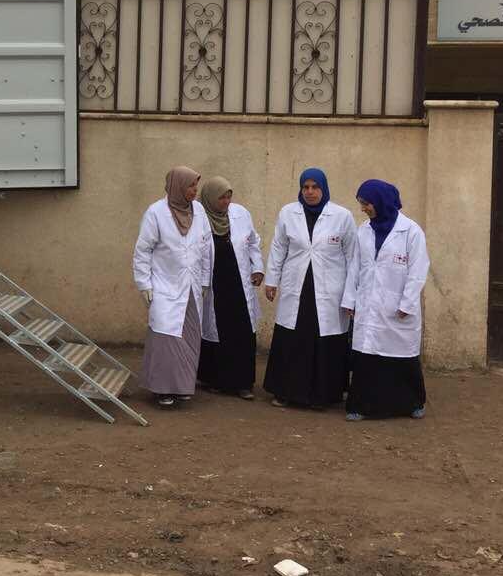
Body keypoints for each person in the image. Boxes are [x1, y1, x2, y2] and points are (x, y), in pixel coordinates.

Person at [262, 167, 357, 408]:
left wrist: (351, 295)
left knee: (325, 339)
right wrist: (272, 280)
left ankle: (324, 395)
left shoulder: (342, 216)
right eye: (306, 187)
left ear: (323, 188)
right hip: (298, 286)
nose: (310, 192)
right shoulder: (288, 213)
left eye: (315, 187)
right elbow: (278, 248)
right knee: (294, 337)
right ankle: (286, 392)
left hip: (330, 289)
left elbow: (352, 257)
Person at [345, 179, 430, 421]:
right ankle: (360, 406)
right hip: (368, 305)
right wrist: (349, 301)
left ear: (381, 202)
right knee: (367, 356)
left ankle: (412, 403)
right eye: (361, 203)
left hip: (398, 308)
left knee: (401, 357)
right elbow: (355, 268)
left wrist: (407, 303)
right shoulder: (363, 231)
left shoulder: (411, 232)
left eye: (366, 203)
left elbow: (418, 271)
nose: (363, 208)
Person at [133, 166, 213, 408]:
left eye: (195, 186)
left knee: (188, 337)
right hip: (164, 286)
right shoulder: (156, 213)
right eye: (190, 186)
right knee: (165, 337)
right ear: (177, 186)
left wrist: (205, 281)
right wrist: (144, 284)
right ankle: (161, 389)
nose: (194, 191)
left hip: (191, 285)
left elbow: (207, 247)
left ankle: (182, 387)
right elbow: (143, 250)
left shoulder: (198, 210)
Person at [196, 176, 264, 399]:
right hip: (214, 283)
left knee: (242, 331)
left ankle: (243, 383)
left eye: (228, 196)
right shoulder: (198, 216)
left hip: (239, 281)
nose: (226, 202)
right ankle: (216, 380)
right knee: (216, 331)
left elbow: (253, 242)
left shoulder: (241, 213)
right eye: (221, 198)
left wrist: (258, 268)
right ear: (210, 199)